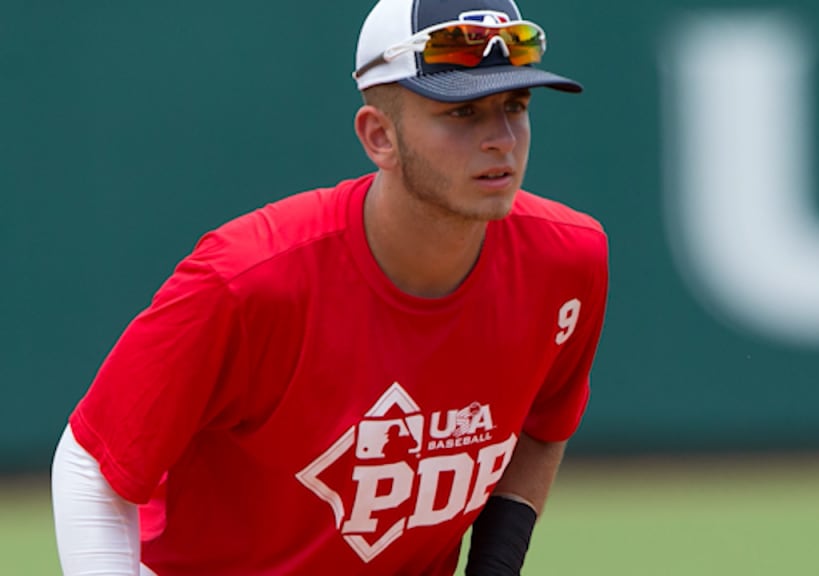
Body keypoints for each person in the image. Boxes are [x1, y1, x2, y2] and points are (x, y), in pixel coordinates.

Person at [50, 0, 608, 573]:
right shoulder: (248, 278)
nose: (502, 140)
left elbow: (543, 425)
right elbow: (93, 463)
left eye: (515, 105)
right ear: (379, 137)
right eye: (462, 112)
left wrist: (496, 562)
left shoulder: (568, 261)